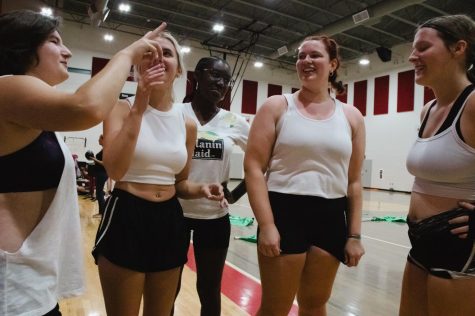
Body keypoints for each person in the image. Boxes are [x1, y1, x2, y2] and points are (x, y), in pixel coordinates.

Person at [0, 9, 165, 316]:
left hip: (32, 285)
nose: (68, 51)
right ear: (22, 46)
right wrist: (127, 53)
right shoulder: (6, 86)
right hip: (11, 289)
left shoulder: (30, 110)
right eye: (54, 41)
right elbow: (86, 107)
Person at [91, 32, 224, 316]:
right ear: (137, 64)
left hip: (169, 220)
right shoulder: (119, 109)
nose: (157, 58)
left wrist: (201, 189)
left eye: (166, 53)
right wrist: (140, 104)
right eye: (149, 53)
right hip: (126, 214)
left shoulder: (187, 124)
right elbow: (114, 169)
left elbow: (181, 182)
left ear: (179, 70)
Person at [244, 34, 366, 315]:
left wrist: (354, 234)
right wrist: (267, 225)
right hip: (285, 211)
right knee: (276, 306)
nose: (306, 61)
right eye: (301, 56)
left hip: (331, 215)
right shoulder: (276, 106)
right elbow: (253, 167)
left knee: (315, 303)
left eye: (315, 55)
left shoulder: (352, 117)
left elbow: (354, 181)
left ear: (333, 64)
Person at [401, 14, 475, 315]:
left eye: (422, 48)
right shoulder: (427, 110)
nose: (411, 56)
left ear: (459, 48)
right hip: (420, 240)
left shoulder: (472, 104)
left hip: (459, 246)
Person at [174, 56, 249, 315]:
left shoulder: (235, 122)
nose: (221, 83)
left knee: (208, 288)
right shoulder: (175, 113)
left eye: (226, 80)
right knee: (168, 286)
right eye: (215, 75)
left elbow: (261, 163)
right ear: (196, 76)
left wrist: (236, 194)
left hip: (215, 216)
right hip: (173, 212)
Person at [88, 135, 109, 216]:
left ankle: (102, 212)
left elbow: (105, 163)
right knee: (99, 192)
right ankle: (102, 212)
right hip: (100, 173)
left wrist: (94, 159)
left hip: (102, 174)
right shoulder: (103, 149)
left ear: (103, 140)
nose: (98, 140)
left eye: (99, 139)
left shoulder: (106, 149)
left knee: (99, 193)